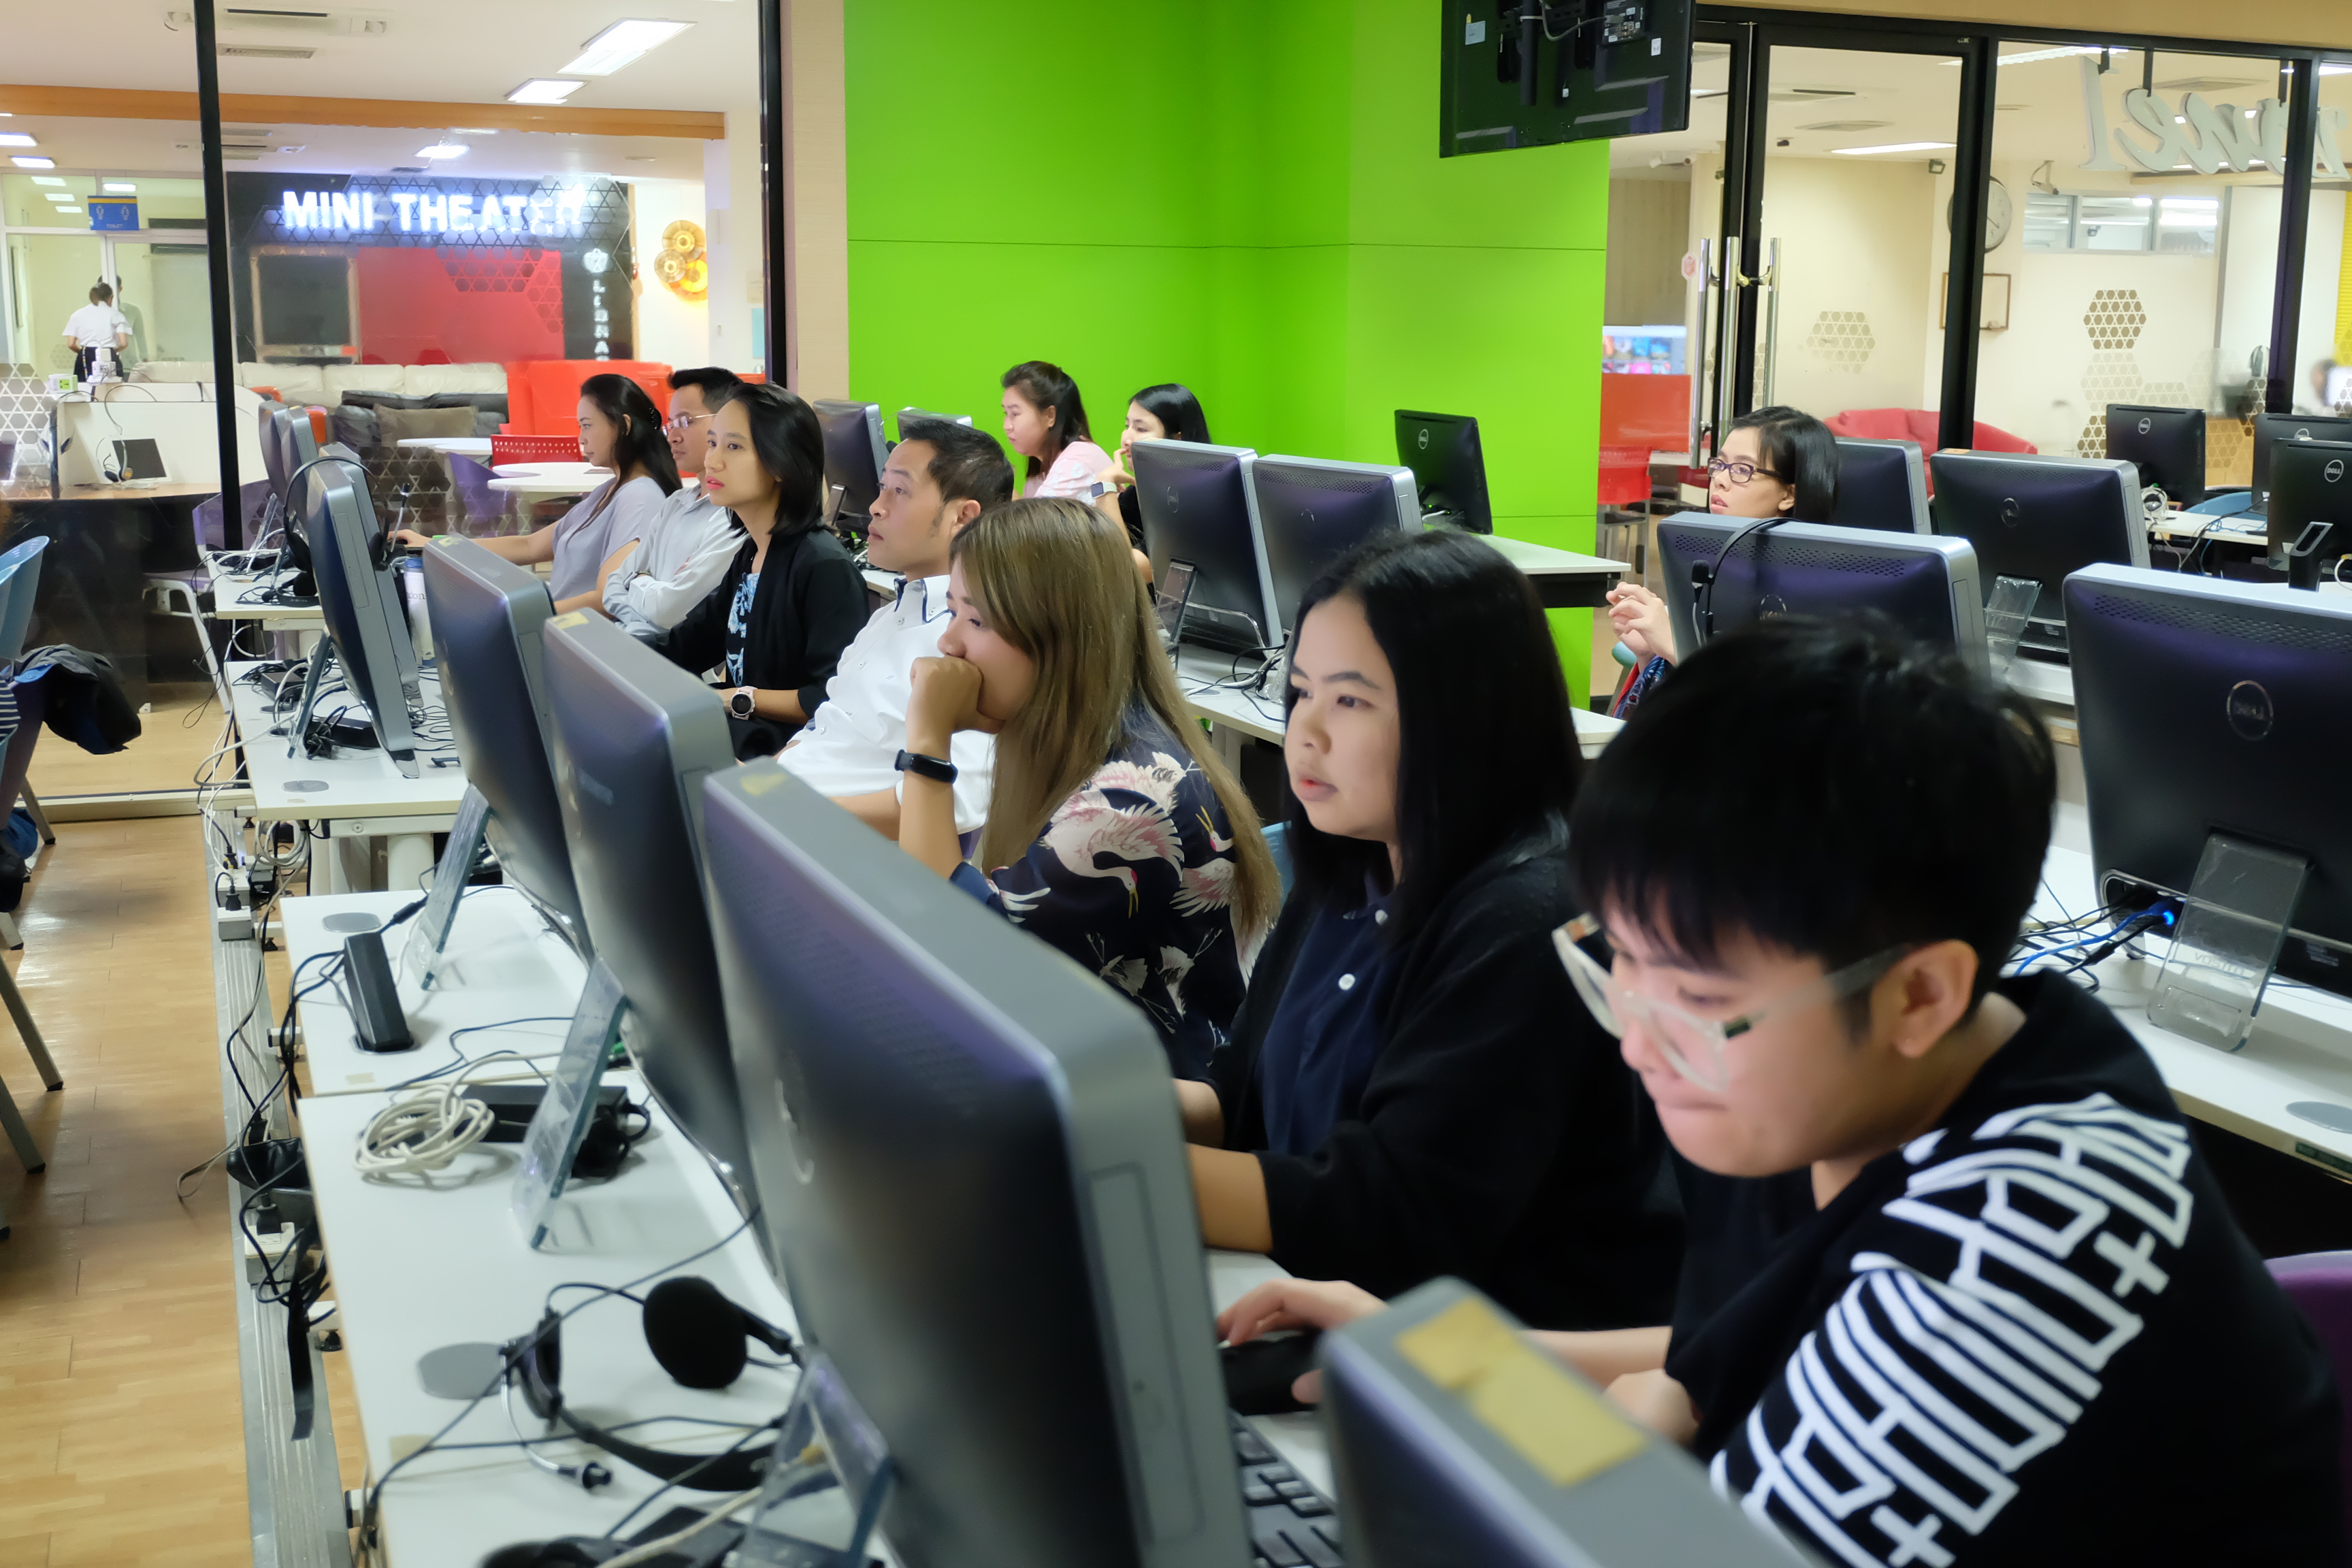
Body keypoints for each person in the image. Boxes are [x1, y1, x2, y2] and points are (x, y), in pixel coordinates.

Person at [1221, 616, 2345, 1565]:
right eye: (1620, 963)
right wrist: (1437, 1352)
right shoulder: (1885, 1070)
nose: (1637, 1043)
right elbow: (1719, 1356)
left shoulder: (2013, 1254)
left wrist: (1601, 1431)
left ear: (1919, 994)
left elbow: (1678, 1524)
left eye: (1696, 996)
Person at [1175, 530, 1682, 1329]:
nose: (1306, 732)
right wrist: (1079, 1114)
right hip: (1324, 1305)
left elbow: (1391, 1214)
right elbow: (1240, 1094)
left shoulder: (1534, 917)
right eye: (1300, 692)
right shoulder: (1352, 863)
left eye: (1350, 701)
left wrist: (1116, 1170)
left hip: (1495, 1362)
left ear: (1464, 718)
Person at [896, 497, 1279, 1077]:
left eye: (976, 620)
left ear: (1060, 639)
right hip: (1082, 1061)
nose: (949, 644)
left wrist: (927, 740)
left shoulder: (1131, 801)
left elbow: (949, 950)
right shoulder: (1080, 741)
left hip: (1155, 1100)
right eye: (952, 612)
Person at [779, 417, 1013, 838]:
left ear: (962, 516)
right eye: (882, 486)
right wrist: (763, 784)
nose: (876, 506)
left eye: (899, 491)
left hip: (831, 844)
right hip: (787, 815)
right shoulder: (888, 615)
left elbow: (956, 802)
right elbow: (824, 725)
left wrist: (795, 811)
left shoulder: (974, 643)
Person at [653, 382, 868, 761]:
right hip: (740, 738)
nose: (713, 461)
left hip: (784, 756)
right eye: (714, 443)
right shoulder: (752, 552)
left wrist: (734, 698)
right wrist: (611, 658)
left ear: (781, 463)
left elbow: (829, 695)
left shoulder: (825, 568)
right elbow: (691, 642)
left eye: (734, 447)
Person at [1605, 403, 1837, 716]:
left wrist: (1676, 648)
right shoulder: (1715, 562)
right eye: (1720, 464)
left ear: (1788, 495)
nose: (1720, 480)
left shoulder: (1813, 594)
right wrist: (1649, 654)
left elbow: (1769, 718)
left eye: (1742, 470)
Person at [394, 374, 677, 612]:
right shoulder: (610, 490)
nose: (581, 438)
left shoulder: (639, 497)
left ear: (624, 426)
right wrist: (434, 545)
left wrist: (524, 616)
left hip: (577, 639)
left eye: (587, 425)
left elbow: (607, 599)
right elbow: (528, 546)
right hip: (561, 631)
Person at [598, 366, 743, 638]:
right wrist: (650, 593)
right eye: (671, 424)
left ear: (726, 422)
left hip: (668, 655)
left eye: (685, 422)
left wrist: (639, 580)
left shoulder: (733, 515)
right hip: (630, 639)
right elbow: (612, 589)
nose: (673, 436)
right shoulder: (675, 502)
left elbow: (668, 613)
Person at [1103, 382, 1213, 548]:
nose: (1126, 439)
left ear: (1178, 440)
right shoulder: (1136, 492)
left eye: (1141, 429)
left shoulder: (1191, 501)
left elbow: (1127, 561)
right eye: (1127, 426)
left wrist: (1104, 486)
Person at [1000, 361, 1115, 506]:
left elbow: (1035, 519)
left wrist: (1000, 486)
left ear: (1050, 416)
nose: (1007, 426)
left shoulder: (1077, 462)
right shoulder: (1039, 471)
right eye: (1006, 413)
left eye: (1015, 414)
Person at [62, 282, 129, 382]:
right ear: (111, 297)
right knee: (113, 386)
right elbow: (124, 343)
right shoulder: (117, 315)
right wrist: (113, 352)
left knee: (84, 387)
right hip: (109, 354)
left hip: (86, 355)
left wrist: (83, 352)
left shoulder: (77, 315)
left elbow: (71, 344)